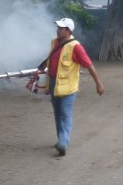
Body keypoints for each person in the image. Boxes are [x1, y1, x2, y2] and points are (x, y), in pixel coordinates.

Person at [39, 17, 105, 156]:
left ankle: (63, 141)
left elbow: (88, 65)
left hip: (68, 87)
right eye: (57, 28)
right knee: (57, 113)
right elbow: (50, 60)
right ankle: (60, 139)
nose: (57, 30)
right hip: (53, 84)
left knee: (65, 114)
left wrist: (98, 83)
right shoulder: (55, 43)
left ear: (68, 30)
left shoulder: (75, 47)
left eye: (61, 28)